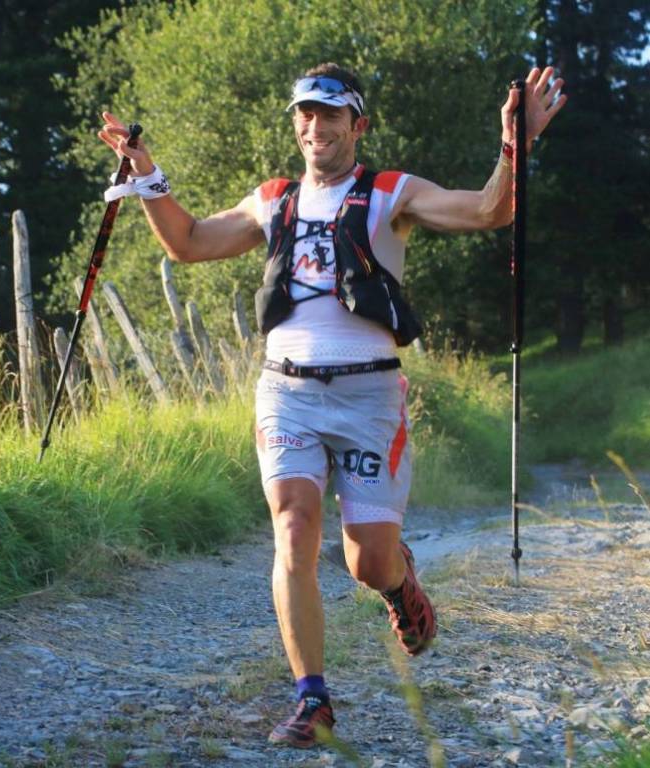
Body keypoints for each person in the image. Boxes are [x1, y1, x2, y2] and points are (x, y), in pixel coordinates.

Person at [98, 63, 566, 748]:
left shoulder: (390, 192)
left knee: (367, 563)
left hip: (369, 395)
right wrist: (147, 177)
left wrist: (513, 144)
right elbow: (190, 242)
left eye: (329, 114)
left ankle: (399, 584)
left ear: (357, 125)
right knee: (293, 527)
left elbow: (489, 210)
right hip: (285, 391)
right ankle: (310, 698)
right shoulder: (273, 199)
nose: (315, 126)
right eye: (305, 114)